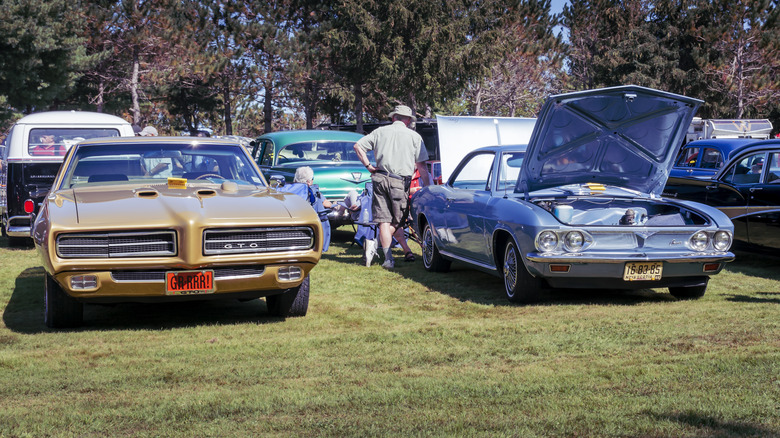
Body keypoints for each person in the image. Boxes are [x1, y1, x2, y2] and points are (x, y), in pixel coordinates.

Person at [354, 104, 431, 269]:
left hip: (379, 178)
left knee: (383, 220)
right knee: (399, 220)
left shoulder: (380, 132)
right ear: (408, 120)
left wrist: (368, 166)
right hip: (399, 181)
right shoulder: (414, 137)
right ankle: (374, 246)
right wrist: (429, 187)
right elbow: (422, 166)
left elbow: (357, 146)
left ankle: (388, 259)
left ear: (393, 117)